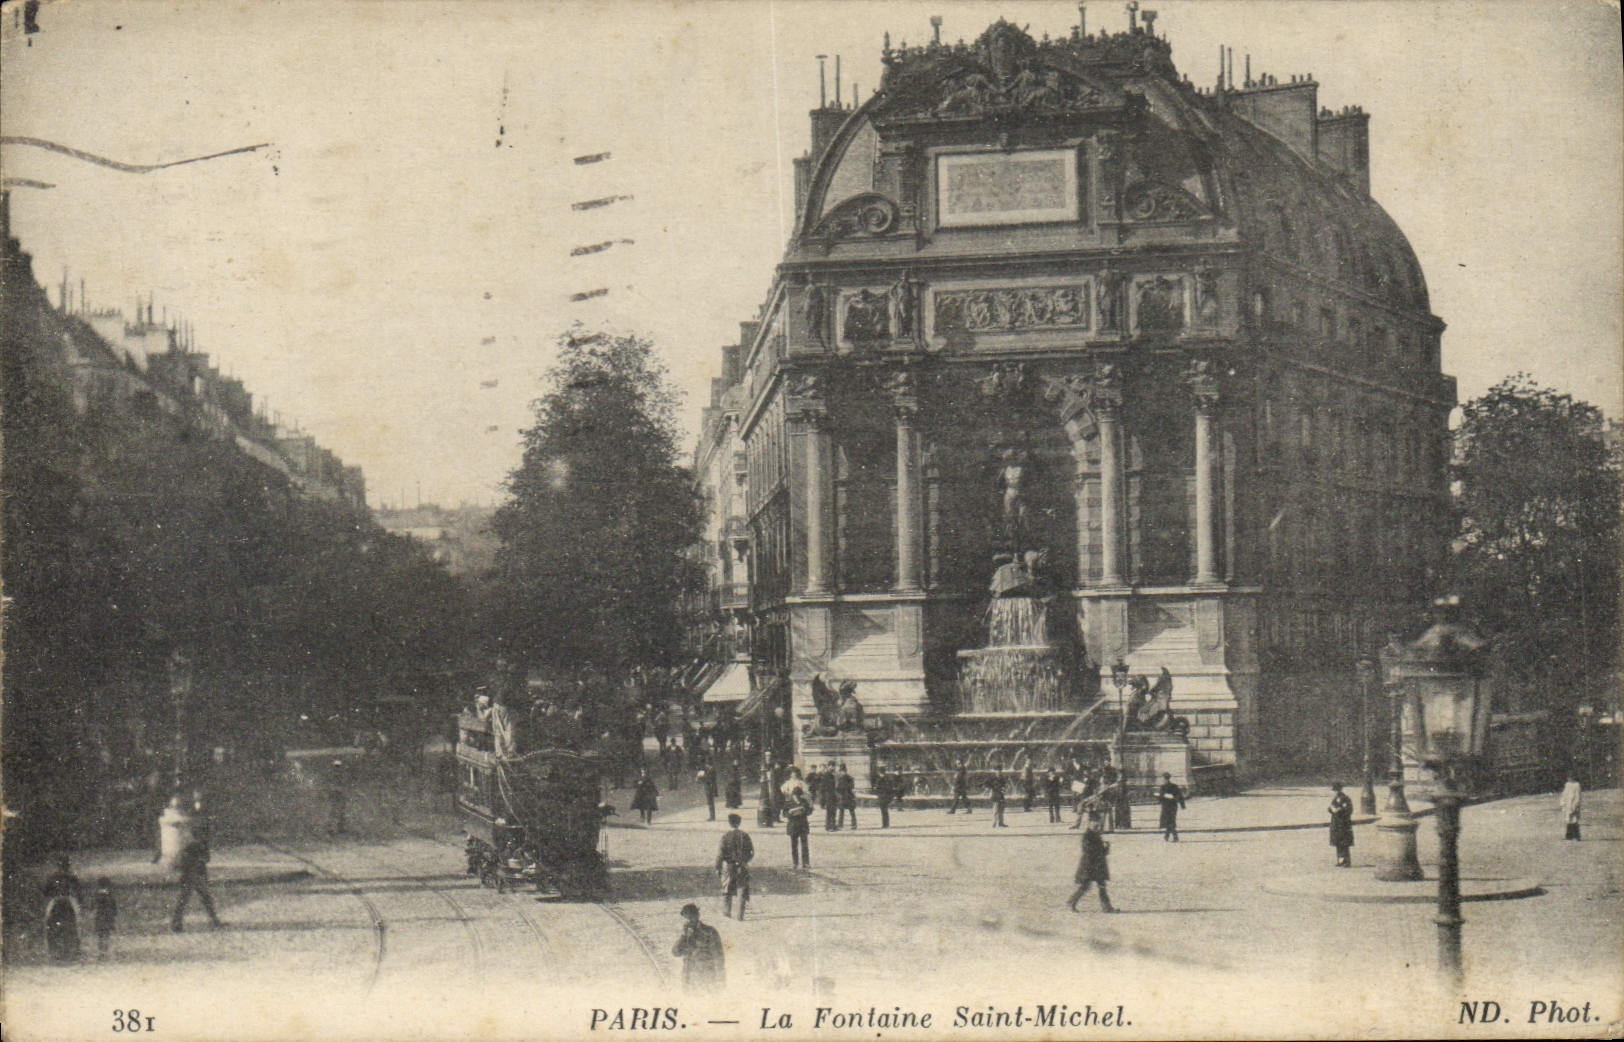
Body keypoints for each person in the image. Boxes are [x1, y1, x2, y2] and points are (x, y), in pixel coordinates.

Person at [171, 835, 223, 932]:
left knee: (186, 900)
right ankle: (214, 920)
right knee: (203, 898)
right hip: (194, 876)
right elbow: (205, 859)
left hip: (191, 876)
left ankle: (176, 922)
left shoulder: (190, 845)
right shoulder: (198, 846)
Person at [1067, 814, 1116, 913]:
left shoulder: (1096, 835)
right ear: (1089, 824)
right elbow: (1087, 850)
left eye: (1098, 823)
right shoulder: (1087, 836)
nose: (1096, 825)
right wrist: (1101, 849)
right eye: (1094, 823)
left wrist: (1106, 847)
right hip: (1089, 866)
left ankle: (1107, 907)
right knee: (1085, 886)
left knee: (1102, 886)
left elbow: (1102, 852)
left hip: (1098, 865)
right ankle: (1072, 902)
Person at [671, 903, 725, 993]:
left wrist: (720, 979)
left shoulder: (709, 932)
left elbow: (718, 956)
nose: (689, 921)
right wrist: (683, 936)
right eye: (687, 919)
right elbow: (675, 952)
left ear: (697, 916)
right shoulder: (685, 935)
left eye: (691, 917)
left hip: (706, 978)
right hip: (689, 979)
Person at [42, 855, 84, 963]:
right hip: (69, 900)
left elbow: (45, 892)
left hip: (56, 900)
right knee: (77, 923)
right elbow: (79, 891)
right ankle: (76, 948)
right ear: (68, 865)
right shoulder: (72, 876)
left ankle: (53, 950)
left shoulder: (52, 877)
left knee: (48, 922)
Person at [716, 814, 754, 920]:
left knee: (727, 889)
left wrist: (718, 867)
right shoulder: (745, 835)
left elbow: (720, 854)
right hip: (742, 866)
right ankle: (740, 915)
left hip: (729, 866)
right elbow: (751, 851)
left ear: (729, 823)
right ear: (739, 822)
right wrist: (745, 861)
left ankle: (726, 913)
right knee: (742, 889)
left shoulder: (726, 836)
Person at [1328, 782, 1355, 867]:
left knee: (1344, 843)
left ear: (1340, 790)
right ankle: (1340, 860)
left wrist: (1340, 810)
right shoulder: (1335, 799)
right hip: (1336, 823)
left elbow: (1349, 810)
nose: (1335, 792)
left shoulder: (1345, 798)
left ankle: (1347, 861)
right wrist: (1332, 809)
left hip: (1343, 824)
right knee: (1338, 842)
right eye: (1334, 791)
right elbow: (1329, 808)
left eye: (1336, 790)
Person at [785, 790, 812, 870]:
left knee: (804, 845)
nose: (797, 797)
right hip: (793, 825)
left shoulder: (804, 802)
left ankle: (806, 863)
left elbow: (809, 811)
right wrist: (790, 812)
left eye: (798, 796)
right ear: (792, 795)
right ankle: (795, 862)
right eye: (795, 796)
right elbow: (784, 813)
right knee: (794, 845)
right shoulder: (788, 803)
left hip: (803, 825)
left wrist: (804, 810)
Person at [92, 877, 117, 960]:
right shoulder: (110, 896)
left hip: (99, 917)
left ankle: (101, 951)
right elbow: (114, 908)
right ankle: (105, 951)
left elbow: (92, 906)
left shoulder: (96, 896)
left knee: (100, 935)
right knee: (107, 935)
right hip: (107, 918)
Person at [1156, 772, 1186, 842]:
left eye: (1163, 778)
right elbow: (1180, 796)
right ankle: (1167, 836)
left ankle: (1175, 837)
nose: (1163, 780)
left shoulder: (1162, 787)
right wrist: (1182, 805)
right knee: (1170, 821)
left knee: (1169, 821)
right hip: (1173, 806)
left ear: (1165, 779)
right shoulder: (1174, 786)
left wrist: (1158, 798)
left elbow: (1160, 798)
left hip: (1166, 806)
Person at [1560, 776, 1583, 841]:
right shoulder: (1567, 785)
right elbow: (1564, 795)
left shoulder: (1577, 785)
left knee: (1574, 820)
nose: (1569, 779)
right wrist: (1562, 803)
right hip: (1567, 804)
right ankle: (1569, 836)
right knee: (1568, 820)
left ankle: (1577, 836)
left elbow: (1578, 796)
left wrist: (1575, 805)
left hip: (1573, 804)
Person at [836, 763, 858, 829]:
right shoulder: (841, 779)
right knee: (842, 811)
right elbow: (838, 788)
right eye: (841, 771)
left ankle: (853, 824)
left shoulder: (849, 778)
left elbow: (851, 787)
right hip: (844, 797)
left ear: (845, 771)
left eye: (842, 771)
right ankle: (841, 825)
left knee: (851, 811)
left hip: (848, 797)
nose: (842, 773)